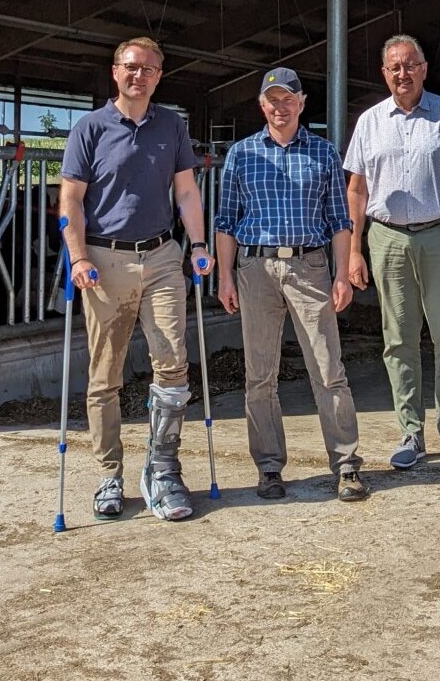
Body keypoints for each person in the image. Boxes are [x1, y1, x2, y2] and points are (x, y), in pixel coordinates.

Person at [58, 36, 213, 521]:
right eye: (131, 67)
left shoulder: (172, 125)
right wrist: (79, 256)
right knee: (105, 375)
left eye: (148, 69)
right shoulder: (90, 128)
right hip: (105, 260)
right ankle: (109, 473)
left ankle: (163, 468)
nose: (138, 75)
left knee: (173, 363)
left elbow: (186, 191)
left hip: (162, 254)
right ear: (115, 71)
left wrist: (200, 245)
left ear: (159, 76)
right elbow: (71, 201)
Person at [214, 67, 368, 503]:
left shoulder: (322, 153)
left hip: (309, 266)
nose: (280, 107)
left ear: (302, 104)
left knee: (327, 368)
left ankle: (347, 465)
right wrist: (225, 276)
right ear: (261, 105)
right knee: (260, 374)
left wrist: (341, 274)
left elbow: (341, 221)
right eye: (272, 100)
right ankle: (268, 467)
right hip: (256, 268)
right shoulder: (242, 154)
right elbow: (225, 222)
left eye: (288, 100)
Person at [344, 35, 440, 473]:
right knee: (398, 340)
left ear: (425, 68)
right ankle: (411, 432)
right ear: (384, 73)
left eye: (410, 65)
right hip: (387, 238)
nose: (402, 74)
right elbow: (357, 189)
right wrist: (354, 251)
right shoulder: (369, 122)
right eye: (394, 67)